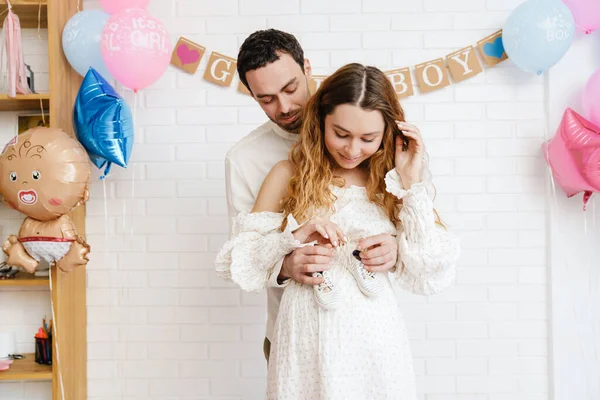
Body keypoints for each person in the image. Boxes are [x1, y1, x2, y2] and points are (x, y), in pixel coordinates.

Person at [216, 63, 460, 398]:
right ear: (320, 121)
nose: (352, 149)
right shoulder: (287, 173)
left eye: (368, 138)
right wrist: (290, 247)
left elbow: (432, 262)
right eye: (341, 134)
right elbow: (240, 259)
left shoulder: (394, 181)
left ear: (388, 132)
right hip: (306, 336)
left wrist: (407, 197)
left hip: (375, 336)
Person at [224, 29, 400, 361]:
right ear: (251, 95)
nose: (285, 106)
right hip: (291, 336)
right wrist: (286, 265)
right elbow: (243, 255)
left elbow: (412, 232)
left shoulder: (364, 133)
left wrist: (395, 248)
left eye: (290, 88)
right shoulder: (245, 160)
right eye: (266, 99)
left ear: (307, 68)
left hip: (367, 334)